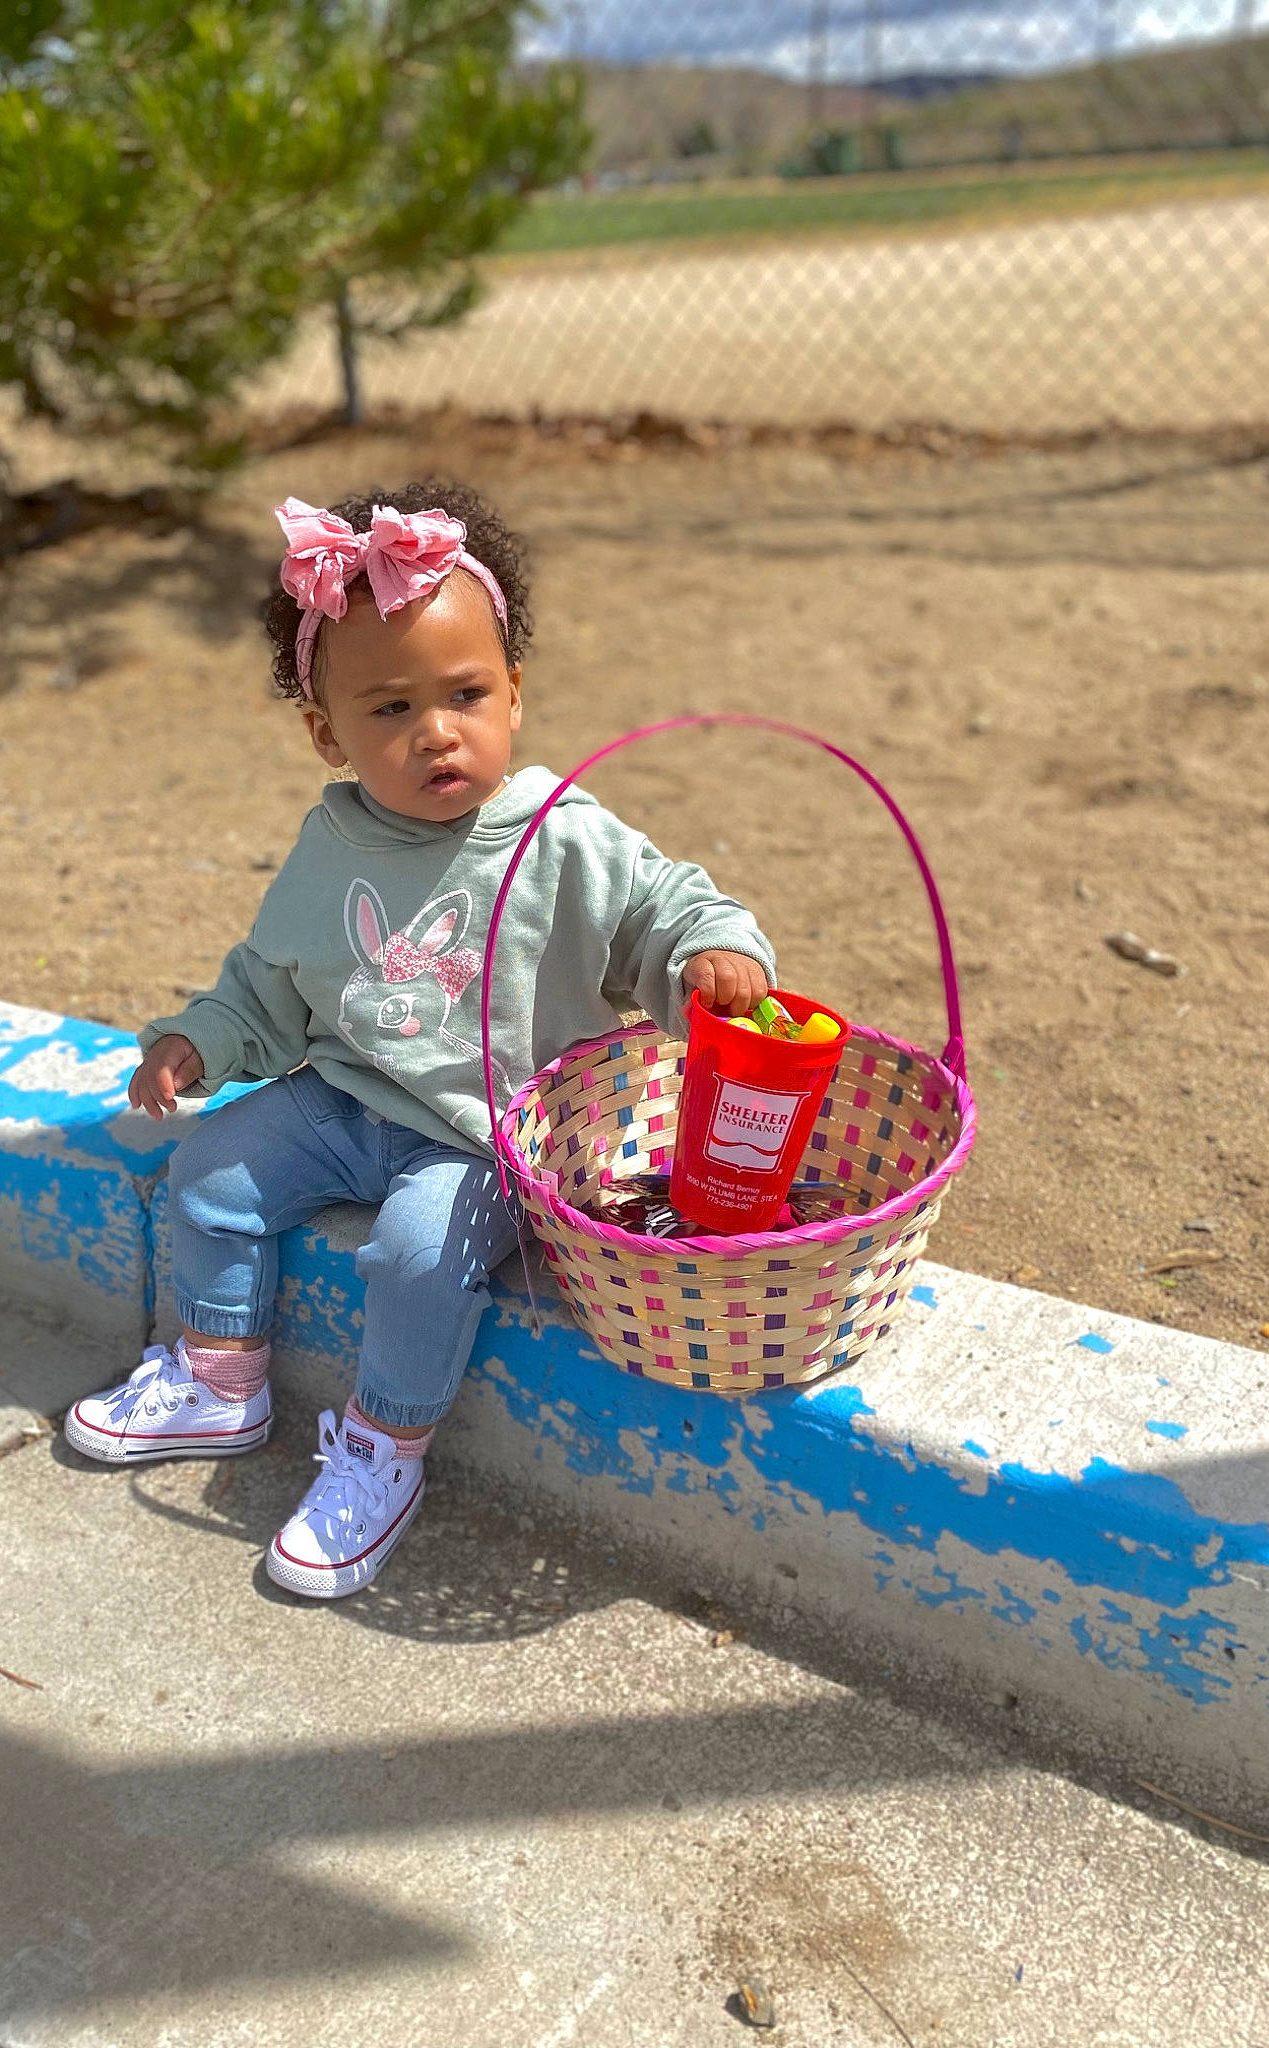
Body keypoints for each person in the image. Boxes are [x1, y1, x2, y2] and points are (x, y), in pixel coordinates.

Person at [65, 481, 775, 1598]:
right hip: (348, 1099)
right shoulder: (335, 840)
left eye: (465, 693)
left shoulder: (561, 833)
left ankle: (383, 1449)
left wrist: (712, 960)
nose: (436, 730)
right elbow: (271, 981)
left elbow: (669, 908)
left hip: (494, 1138)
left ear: (516, 695)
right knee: (207, 1167)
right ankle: (219, 1375)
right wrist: (200, 1040)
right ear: (327, 733)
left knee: (415, 1253)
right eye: (389, 709)